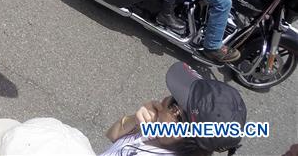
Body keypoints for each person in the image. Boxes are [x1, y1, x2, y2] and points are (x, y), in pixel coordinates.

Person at [101, 62, 247, 156]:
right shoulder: (159, 133)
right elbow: (112, 136)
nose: (164, 99)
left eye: (174, 101)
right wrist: (134, 121)